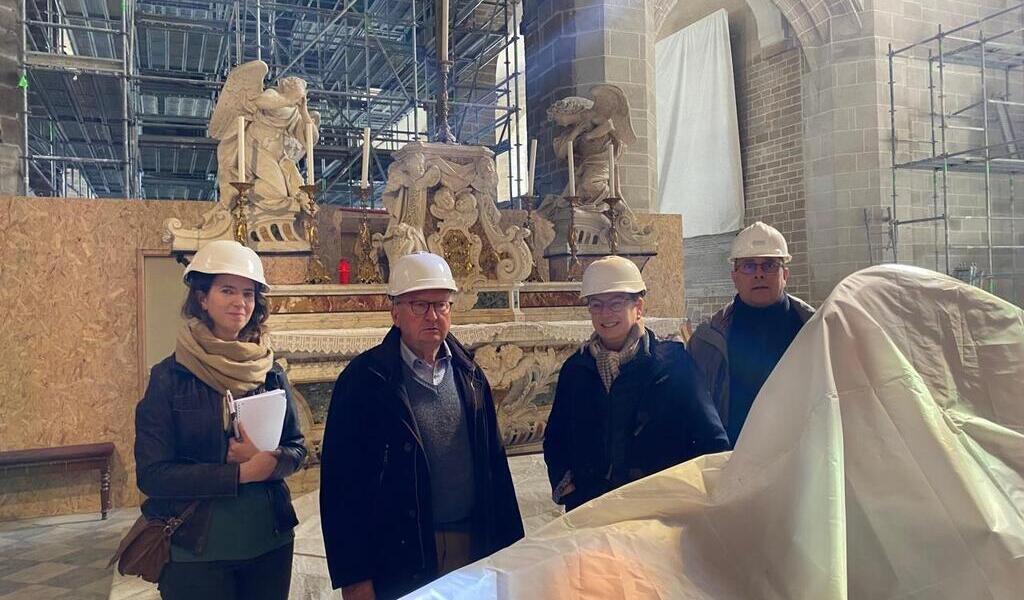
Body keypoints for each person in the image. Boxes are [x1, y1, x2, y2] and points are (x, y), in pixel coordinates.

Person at [319, 252, 524, 600]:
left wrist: (513, 549)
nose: (432, 315)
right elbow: (341, 489)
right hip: (401, 549)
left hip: (471, 541)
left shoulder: (469, 374)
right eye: (419, 305)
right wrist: (355, 577)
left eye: (441, 305)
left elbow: (495, 466)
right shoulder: (364, 381)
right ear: (395, 312)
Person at [134, 239, 307, 600]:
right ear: (202, 298)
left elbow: (298, 448)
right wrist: (241, 473)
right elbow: (153, 475)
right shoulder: (169, 377)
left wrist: (270, 461)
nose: (239, 302)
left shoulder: (270, 371)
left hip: (269, 543)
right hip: (196, 550)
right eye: (227, 290)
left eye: (248, 293)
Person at [543, 256, 729, 511]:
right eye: (596, 305)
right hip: (591, 508)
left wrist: (700, 495)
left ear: (638, 307)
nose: (605, 314)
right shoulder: (576, 369)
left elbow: (710, 435)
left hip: (657, 508)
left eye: (616, 303)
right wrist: (567, 487)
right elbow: (556, 436)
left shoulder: (673, 364)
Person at [688, 221, 815, 446]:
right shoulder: (707, 340)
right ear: (734, 276)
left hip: (800, 454)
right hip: (733, 457)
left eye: (769, 265)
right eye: (748, 266)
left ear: (785, 274)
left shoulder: (814, 328)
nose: (759, 274)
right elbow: (695, 411)